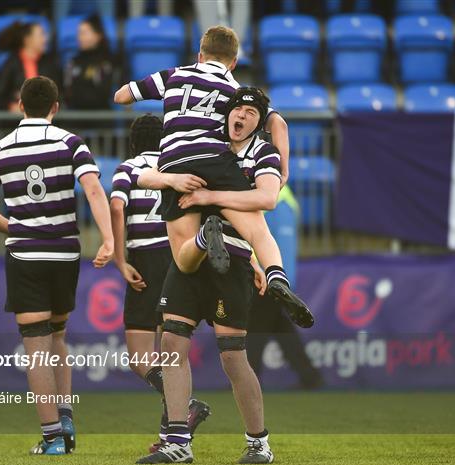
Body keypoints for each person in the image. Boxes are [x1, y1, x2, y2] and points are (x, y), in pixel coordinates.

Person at [114, 27, 313, 329]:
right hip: (217, 162)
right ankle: (277, 275)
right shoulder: (234, 90)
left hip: (176, 164)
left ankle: (206, 236)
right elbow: (279, 125)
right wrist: (284, 171)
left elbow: (122, 96)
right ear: (233, 62)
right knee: (258, 231)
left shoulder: (174, 75)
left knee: (183, 260)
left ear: (200, 55)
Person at [134, 88, 293, 465]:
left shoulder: (263, 153)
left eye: (251, 113)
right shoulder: (208, 144)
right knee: (172, 344)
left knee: (233, 357)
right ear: (226, 114)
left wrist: (210, 198)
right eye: (236, 108)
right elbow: (145, 177)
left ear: (261, 121)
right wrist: (174, 181)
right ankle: (178, 441)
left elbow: (266, 198)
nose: (240, 116)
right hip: (194, 258)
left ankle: (258, 442)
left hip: (233, 259)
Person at [0, 76, 114, 455]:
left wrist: (14, 227)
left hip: (26, 255)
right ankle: (65, 415)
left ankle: (53, 438)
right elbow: (95, 189)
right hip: (65, 252)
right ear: (56, 107)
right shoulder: (71, 142)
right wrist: (109, 239)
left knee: (36, 348)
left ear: (20, 106)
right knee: (58, 338)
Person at [109, 114, 211, 452]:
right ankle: (171, 433)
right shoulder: (176, 166)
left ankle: (186, 407)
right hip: (181, 256)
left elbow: (116, 205)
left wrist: (119, 257)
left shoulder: (129, 168)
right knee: (172, 353)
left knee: (141, 358)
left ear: (134, 141)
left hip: (147, 261)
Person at [0, 21, 61, 112]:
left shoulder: (50, 64)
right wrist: (10, 107)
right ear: (27, 39)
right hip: (16, 121)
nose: (45, 39)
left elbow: (59, 94)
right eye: (41, 35)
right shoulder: (11, 63)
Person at [64, 14, 114, 110]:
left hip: (101, 116)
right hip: (75, 115)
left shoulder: (106, 62)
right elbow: (68, 92)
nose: (80, 37)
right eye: (79, 33)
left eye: (84, 33)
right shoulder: (73, 62)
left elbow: (104, 94)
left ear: (97, 35)